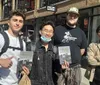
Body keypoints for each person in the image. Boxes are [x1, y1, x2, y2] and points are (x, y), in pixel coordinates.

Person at [54, 7, 87, 85]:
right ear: (67, 16)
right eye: (70, 15)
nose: (72, 17)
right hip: (60, 68)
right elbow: (52, 47)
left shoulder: (81, 33)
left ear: (78, 18)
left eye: (75, 16)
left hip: (75, 68)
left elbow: (82, 50)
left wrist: (74, 58)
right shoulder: (57, 30)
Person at [30, 21, 67, 85]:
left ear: (52, 34)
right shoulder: (31, 47)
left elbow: (57, 69)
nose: (48, 33)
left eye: (50, 31)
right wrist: (23, 69)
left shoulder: (55, 49)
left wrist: (62, 68)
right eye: (46, 30)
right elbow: (23, 64)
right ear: (40, 32)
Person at [0, 10, 26, 85]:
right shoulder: (1, 37)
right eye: (15, 20)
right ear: (8, 22)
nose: (17, 23)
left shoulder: (23, 44)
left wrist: (23, 70)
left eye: (20, 21)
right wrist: (0, 61)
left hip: (16, 82)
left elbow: (22, 63)